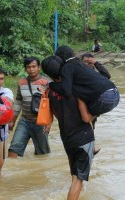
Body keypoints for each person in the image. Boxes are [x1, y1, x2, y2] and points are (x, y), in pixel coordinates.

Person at [41, 55, 95, 200]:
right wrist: (95, 114)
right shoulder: (76, 89)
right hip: (83, 137)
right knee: (79, 179)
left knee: (74, 175)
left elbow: (57, 115)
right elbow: (86, 118)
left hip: (67, 138)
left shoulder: (49, 92)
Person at [52, 45, 120, 117]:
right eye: (86, 62)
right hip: (116, 94)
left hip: (104, 98)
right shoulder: (83, 66)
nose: (87, 64)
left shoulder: (68, 67)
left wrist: (51, 85)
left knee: (83, 116)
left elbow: (66, 92)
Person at [8, 57, 50, 158]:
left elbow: (50, 105)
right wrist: (12, 120)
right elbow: (18, 102)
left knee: (42, 154)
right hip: (24, 121)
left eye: (34, 67)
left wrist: (48, 122)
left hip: (40, 122)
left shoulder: (46, 83)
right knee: (13, 151)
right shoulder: (21, 83)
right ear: (25, 69)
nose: (31, 69)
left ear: (39, 68)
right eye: (28, 67)